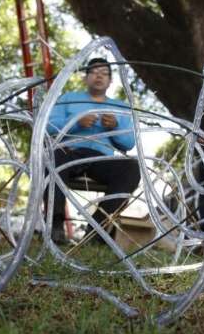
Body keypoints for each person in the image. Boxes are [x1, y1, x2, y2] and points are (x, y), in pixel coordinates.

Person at [45, 58, 140, 244]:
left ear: (110, 81)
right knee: (52, 156)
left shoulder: (120, 107)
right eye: (94, 72)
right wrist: (74, 124)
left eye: (104, 73)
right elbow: (48, 128)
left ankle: (97, 227)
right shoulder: (67, 99)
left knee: (132, 168)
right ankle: (55, 224)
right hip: (69, 152)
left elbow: (129, 144)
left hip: (102, 158)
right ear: (85, 77)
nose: (99, 76)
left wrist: (114, 126)